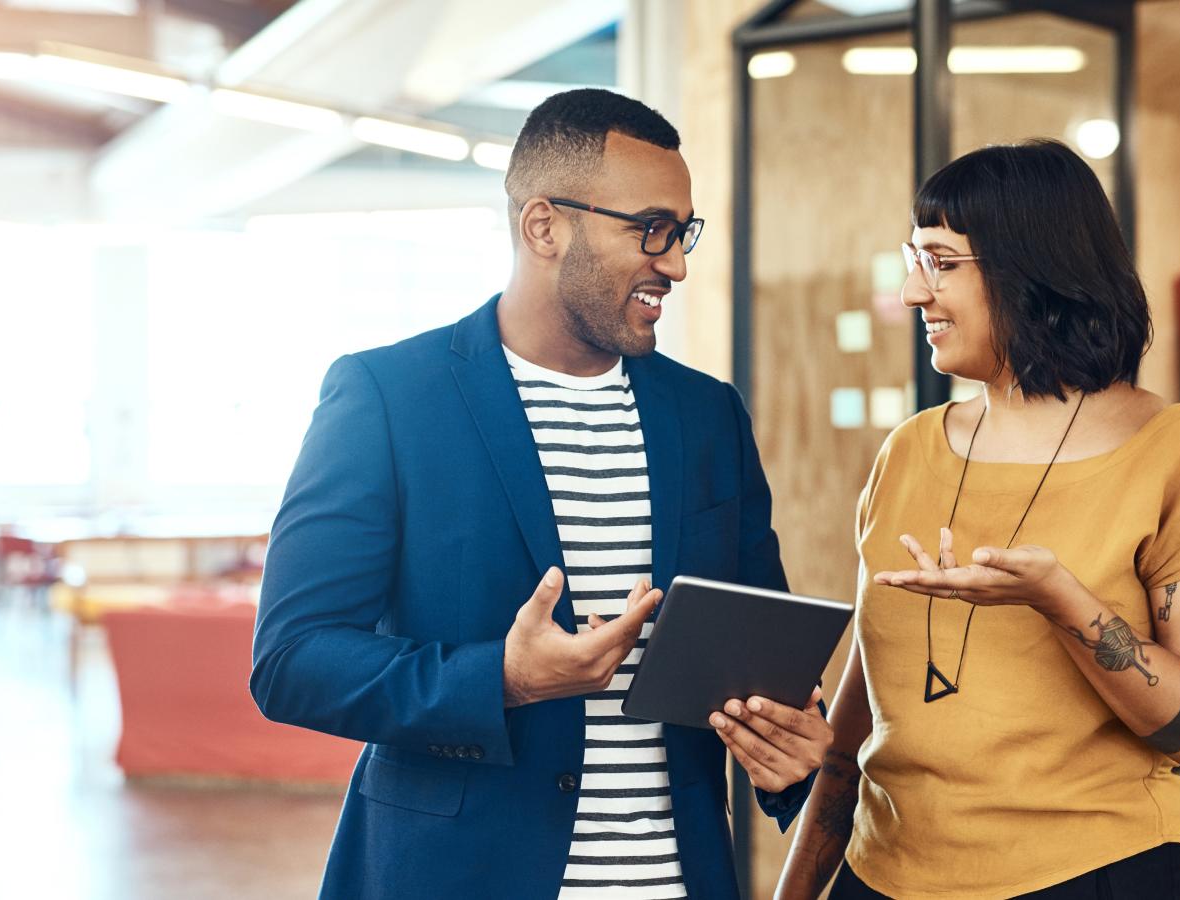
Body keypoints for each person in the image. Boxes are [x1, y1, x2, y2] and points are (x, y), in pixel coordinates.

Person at [251, 88, 831, 900]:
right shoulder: (388, 397)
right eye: (651, 229)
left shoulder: (707, 416)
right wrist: (502, 679)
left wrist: (792, 753)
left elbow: (755, 658)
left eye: (683, 232)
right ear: (545, 226)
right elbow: (292, 661)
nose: (676, 263)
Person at [775, 139, 1180, 900]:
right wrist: (796, 889)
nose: (911, 291)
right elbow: (857, 726)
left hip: (1088, 875)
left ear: (1027, 270)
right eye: (913, 259)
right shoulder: (906, 451)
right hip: (881, 873)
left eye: (939, 262)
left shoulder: (1178, 451)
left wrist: (1061, 601)